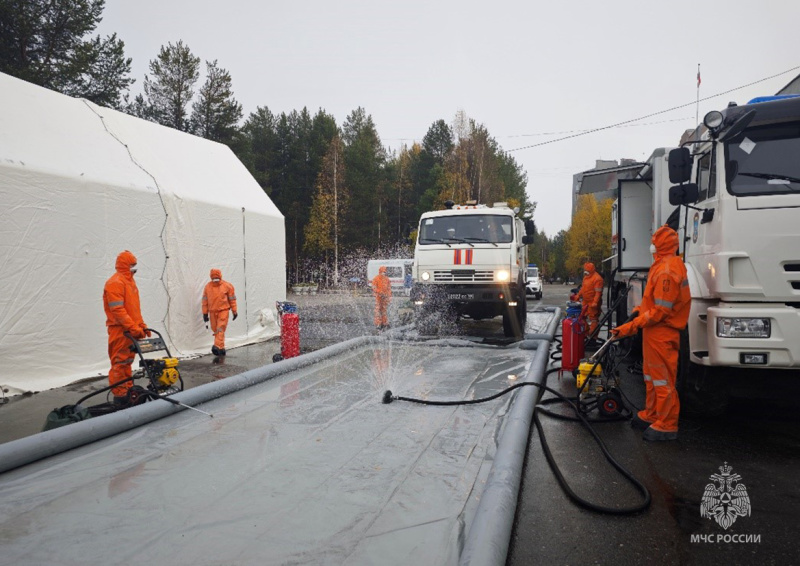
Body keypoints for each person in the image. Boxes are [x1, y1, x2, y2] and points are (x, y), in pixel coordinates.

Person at [611, 225, 690, 441]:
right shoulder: (661, 265)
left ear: (662, 244)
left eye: (655, 241)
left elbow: (662, 310)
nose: (652, 245)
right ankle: (653, 414)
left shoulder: (667, 270)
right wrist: (639, 311)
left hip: (662, 333)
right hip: (654, 332)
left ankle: (667, 424)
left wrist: (632, 325)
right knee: (651, 376)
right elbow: (654, 303)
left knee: (662, 380)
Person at [103, 250, 149, 405]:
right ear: (124, 265)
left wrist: (142, 325)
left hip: (131, 329)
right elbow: (118, 310)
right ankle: (120, 395)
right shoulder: (115, 283)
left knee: (127, 362)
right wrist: (132, 326)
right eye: (131, 265)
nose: (134, 268)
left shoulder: (130, 282)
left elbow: (134, 309)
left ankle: (128, 389)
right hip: (120, 330)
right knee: (119, 362)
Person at [202, 268, 238, 356]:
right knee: (215, 329)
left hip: (223, 311)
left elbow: (232, 299)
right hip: (212, 312)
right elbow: (204, 301)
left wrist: (234, 311)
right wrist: (205, 313)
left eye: (217, 278)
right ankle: (221, 349)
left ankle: (217, 346)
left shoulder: (227, 286)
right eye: (214, 278)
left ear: (220, 276)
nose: (215, 280)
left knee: (220, 329)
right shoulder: (208, 287)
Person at [577, 262, 603, 338]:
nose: (586, 272)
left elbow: (598, 292)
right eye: (585, 270)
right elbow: (583, 288)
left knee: (593, 319)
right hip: (585, 301)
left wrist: (595, 302)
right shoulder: (586, 277)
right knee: (581, 317)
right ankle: (586, 333)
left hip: (593, 302)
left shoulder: (597, 279)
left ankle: (593, 336)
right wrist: (578, 295)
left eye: (587, 270)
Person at [372, 265, 392, 330]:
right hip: (378, 297)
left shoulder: (387, 279)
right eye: (383, 272)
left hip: (385, 297)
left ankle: (384, 323)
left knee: (384, 310)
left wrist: (388, 296)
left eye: (385, 272)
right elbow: (374, 288)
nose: (384, 273)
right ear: (380, 271)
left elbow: (389, 289)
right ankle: (378, 323)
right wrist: (380, 293)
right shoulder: (376, 278)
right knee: (378, 310)